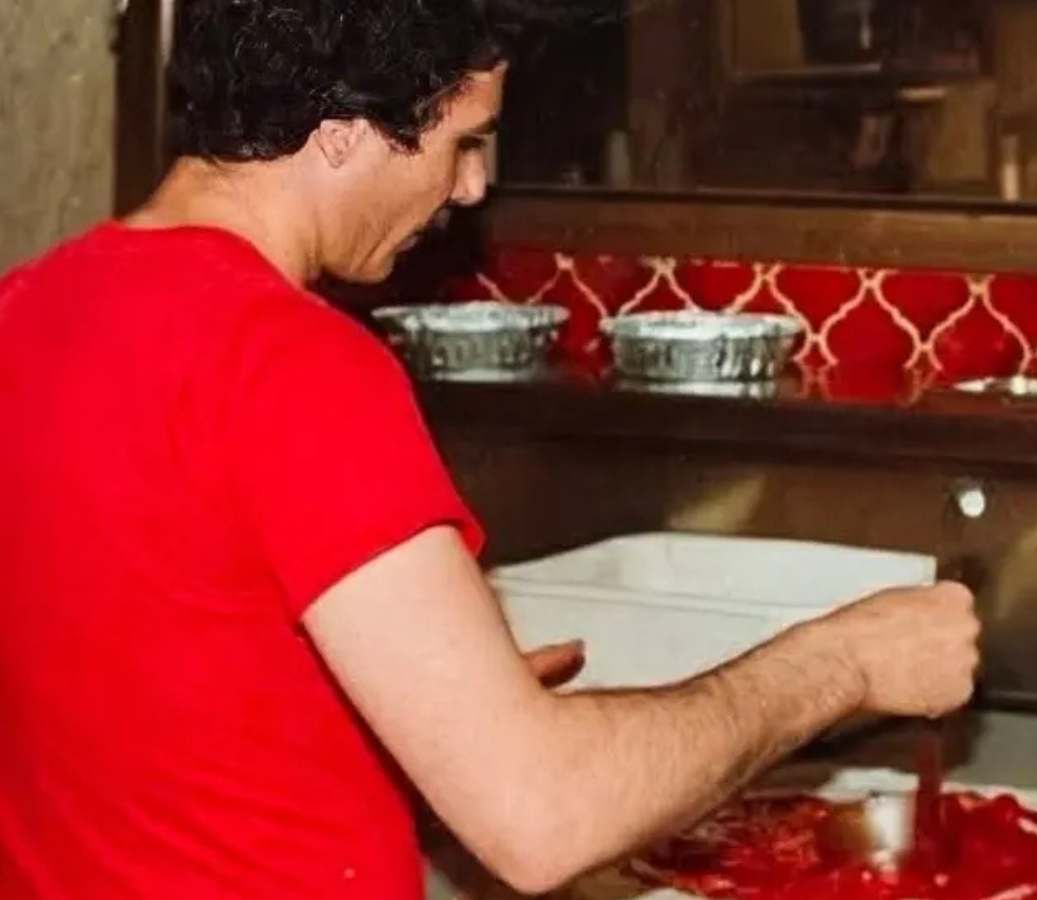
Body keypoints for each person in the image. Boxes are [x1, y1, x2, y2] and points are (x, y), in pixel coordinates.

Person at [0, 1, 981, 899]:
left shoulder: (27, 308)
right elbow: (541, 819)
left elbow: (146, 698)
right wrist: (845, 662)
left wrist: (447, 705)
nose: (473, 186)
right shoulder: (292, 362)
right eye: (463, 141)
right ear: (342, 129)